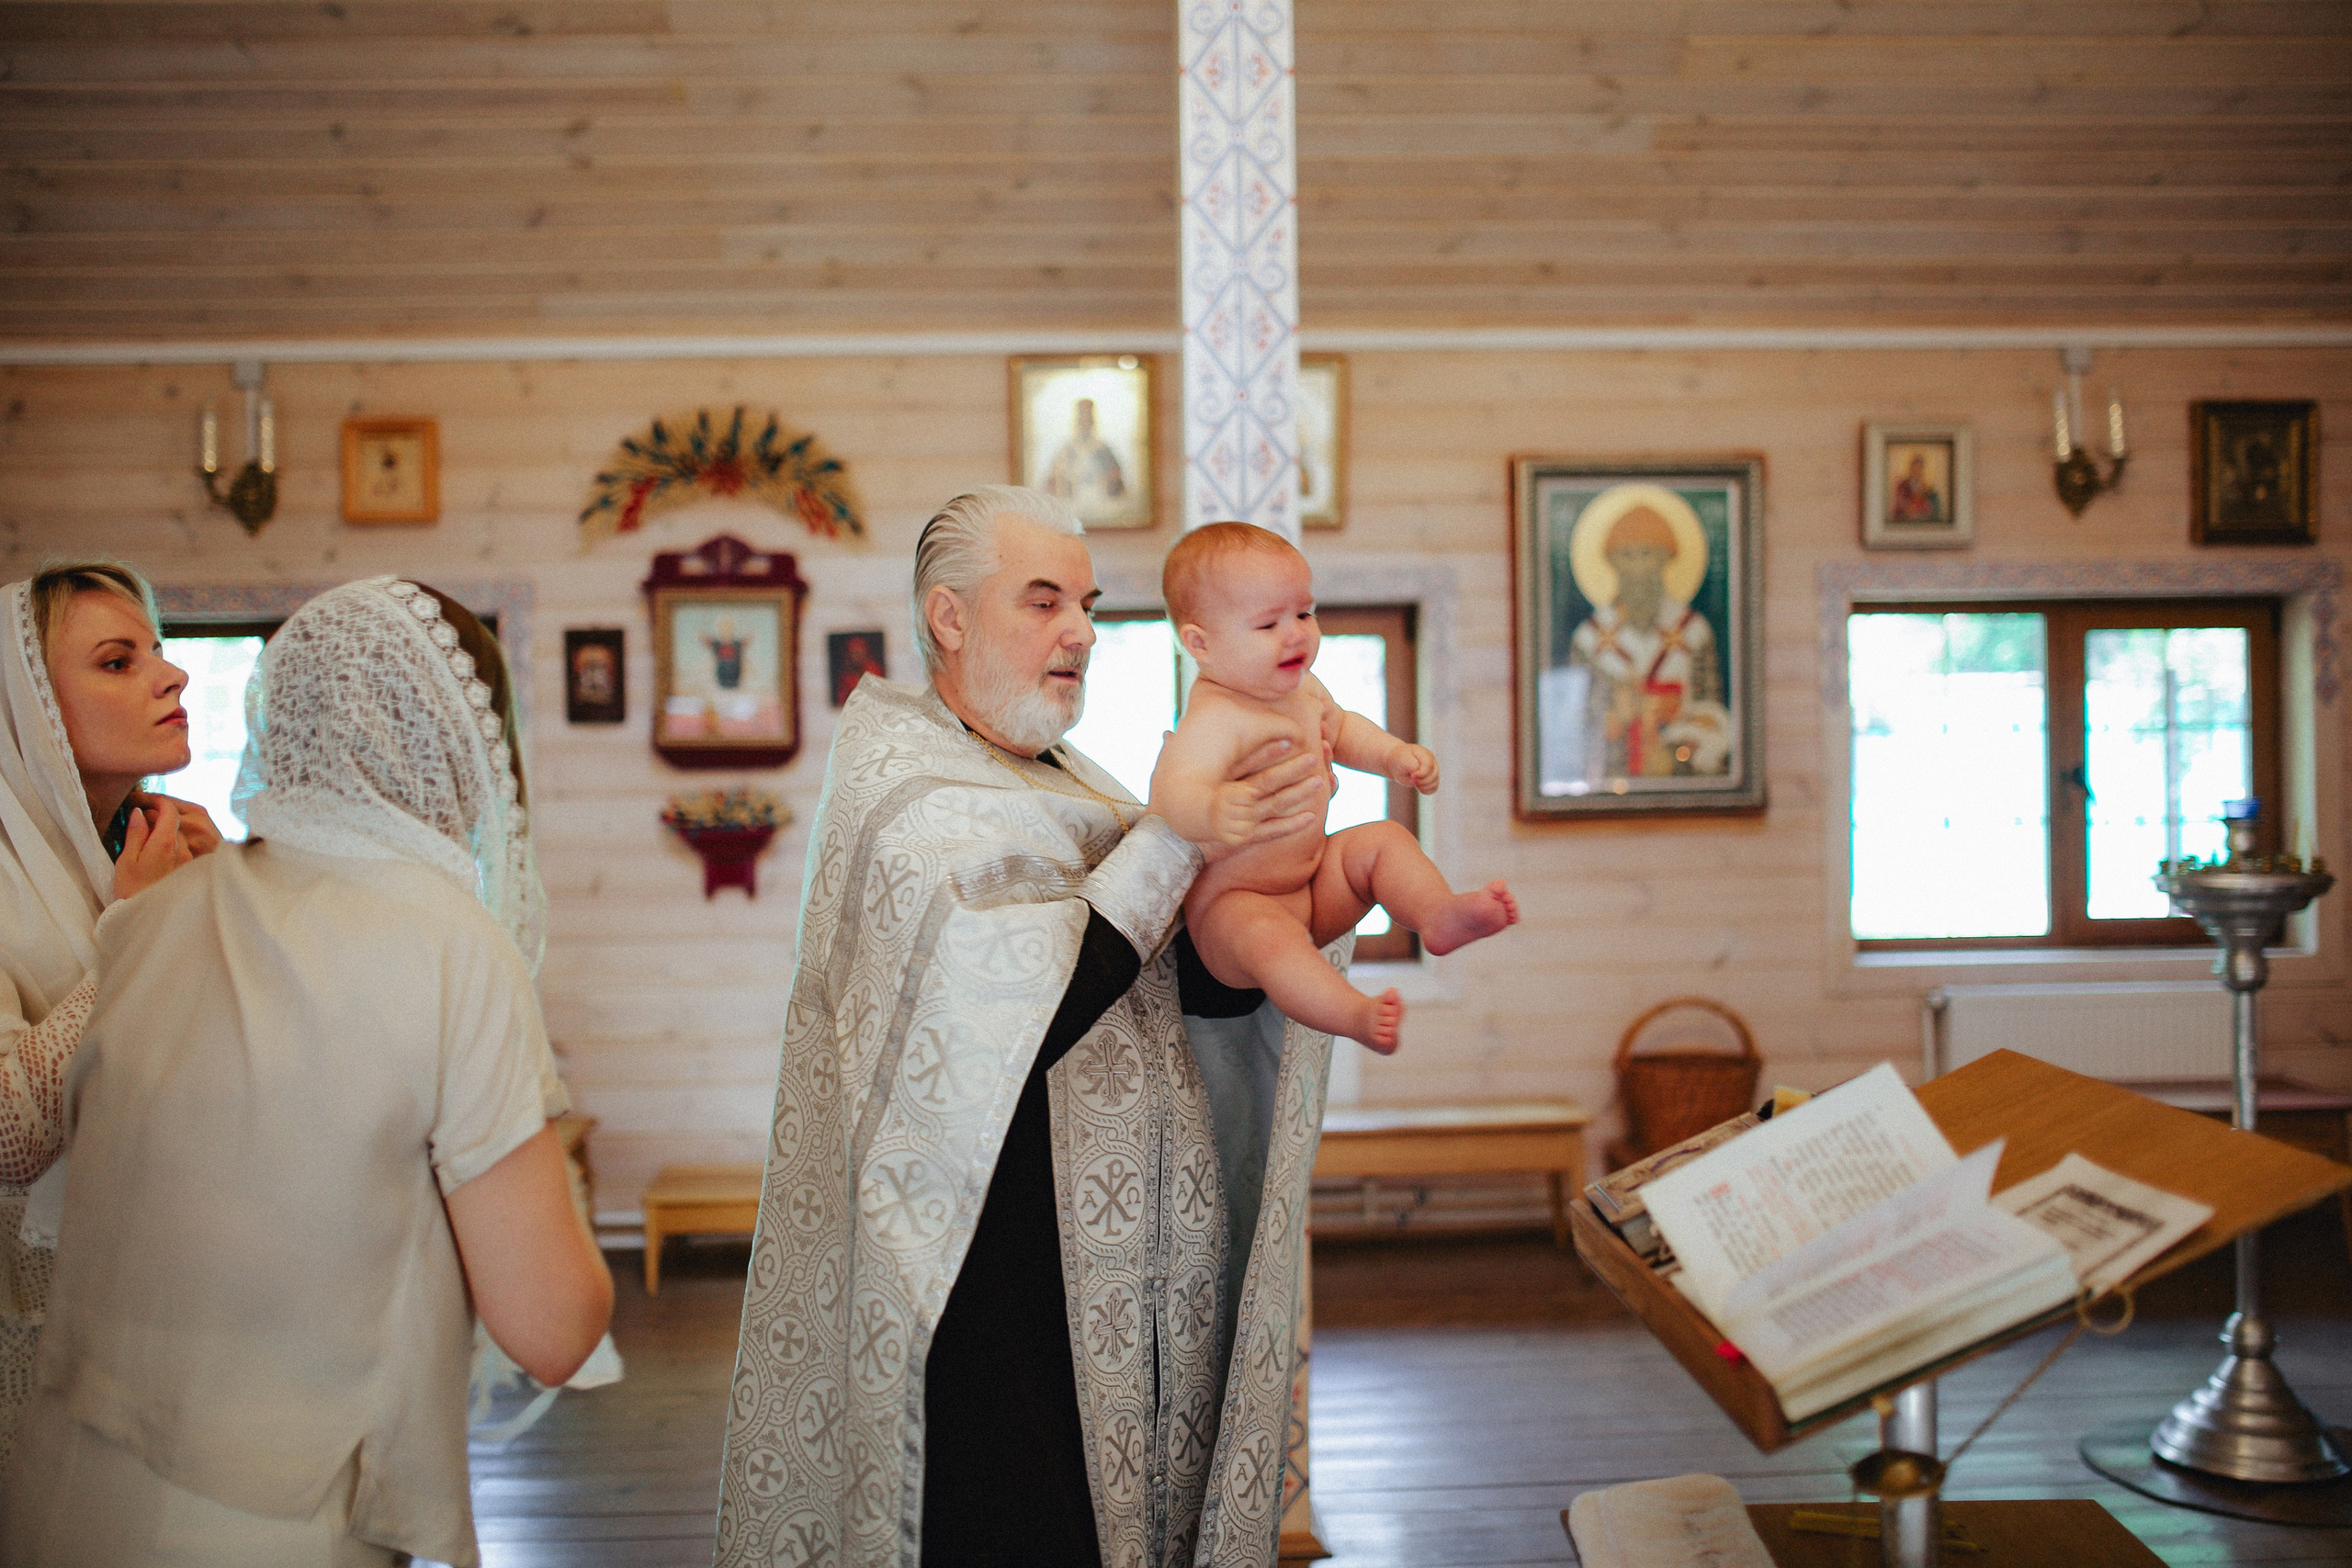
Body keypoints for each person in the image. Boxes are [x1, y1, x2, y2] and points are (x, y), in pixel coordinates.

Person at [715, 486, 1332, 1568]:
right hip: (990, 1282)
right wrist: (1178, 841)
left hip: (1124, 1271)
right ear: (949, 618)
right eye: (1042, 601)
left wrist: (1284, 899)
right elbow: (1027, 1008)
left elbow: (1161, 977)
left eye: (1087, 604)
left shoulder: (1069, 780)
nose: (1082, 631)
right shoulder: (906, 789)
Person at [1, 577, 612, 1567]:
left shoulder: (152, 918)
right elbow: (551, 1327)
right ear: (467, 745)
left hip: (69, 1489)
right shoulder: (448, 942)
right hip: (277, 1518)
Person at [0, 561, 218, 1471]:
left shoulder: (160, 847)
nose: (173, 677)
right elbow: (10, 1135)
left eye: (160, 653)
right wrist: (131, 935)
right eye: (119, 661)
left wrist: (229, 898)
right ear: (27, 712)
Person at [1154, 523, 1517, 1052]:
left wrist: (1394, 755)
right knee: (1270, 938)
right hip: (1235, 909)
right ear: (1200, 643)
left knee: (1383, 841)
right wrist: (1211, 808)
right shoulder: (1216, 717)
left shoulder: (1303, 690)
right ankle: (1352, 1014)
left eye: (1303, 613)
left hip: (1313, 885)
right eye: (1267, 624)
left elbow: (1342, 727)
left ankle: (1437, 914)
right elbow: (1170, 792)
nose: (1296, 633)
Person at [1566, 503, 1730, 781]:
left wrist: (1677, 752)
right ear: (1611, 562)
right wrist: (1618, 713)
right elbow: (1575, 724)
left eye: (1647, 554)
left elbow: (1711, 714)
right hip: (1611, 774)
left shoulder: (1693, 631)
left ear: (1667, 559)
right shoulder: (1589, 639)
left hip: (1680, 770)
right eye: (1627, 555)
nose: (1638, 568)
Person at [1043, 396, 1127, 514]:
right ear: (1077, 422)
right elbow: (1054, 478)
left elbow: (1115, 477)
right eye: (1082, 419)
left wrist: (1108, 478)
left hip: (1100, 501)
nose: (1085, 424)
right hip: (1072, 501)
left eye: (1088, 419)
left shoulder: (1103, 448)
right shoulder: (1066, 449)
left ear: (1093, 422)